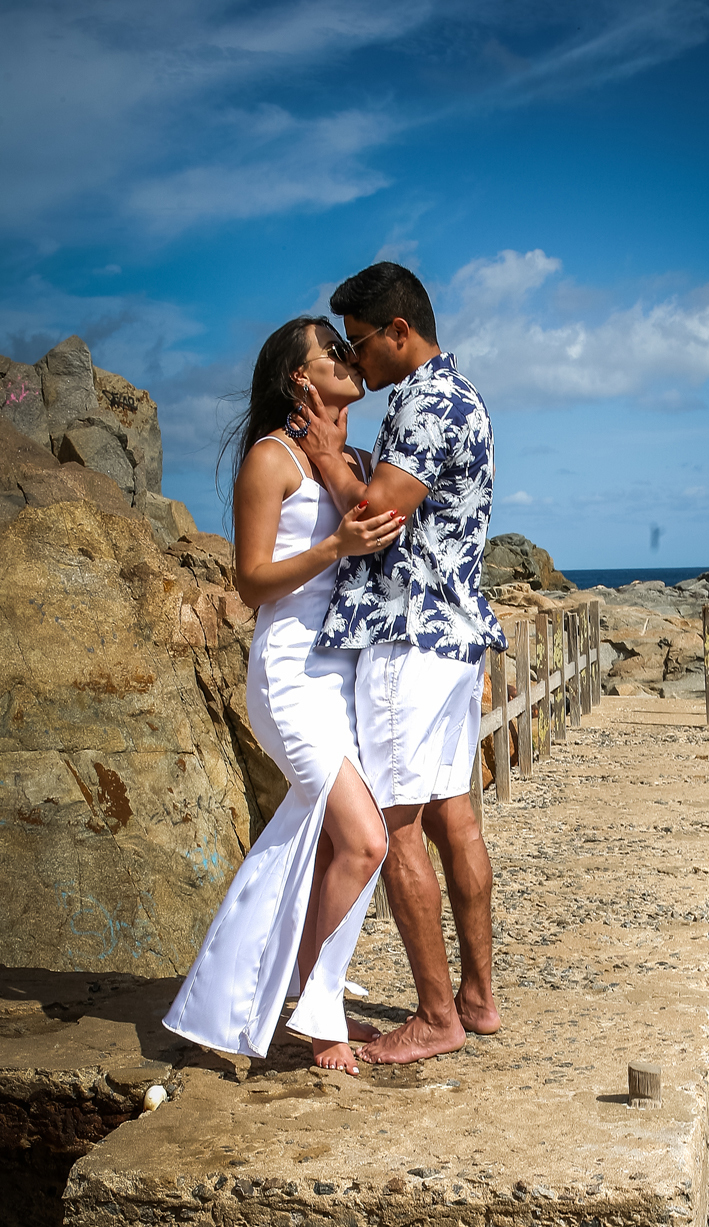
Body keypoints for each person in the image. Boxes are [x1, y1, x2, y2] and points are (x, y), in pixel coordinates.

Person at [164, 316, 401, 1073]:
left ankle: (291, 989)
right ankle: (317, 1008)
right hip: (290, 673)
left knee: (328, 841)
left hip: (344, 674)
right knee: (366, 840)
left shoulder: (348, 456)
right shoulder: (270, 460)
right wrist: (334, 546)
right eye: (330, 351)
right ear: (299, 377)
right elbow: (250, 581)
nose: (347, 357)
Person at [294, 262, 503, 1066]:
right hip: (455, 636)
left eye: (360, 345)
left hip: (409, 637)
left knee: (393, 825)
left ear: (397, 333)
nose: (356, 363)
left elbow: (376, 514)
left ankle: (436, 1017)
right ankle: (477, 1001)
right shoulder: (467, 396)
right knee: (456, 820)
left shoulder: (423, 401)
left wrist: (323, 452)